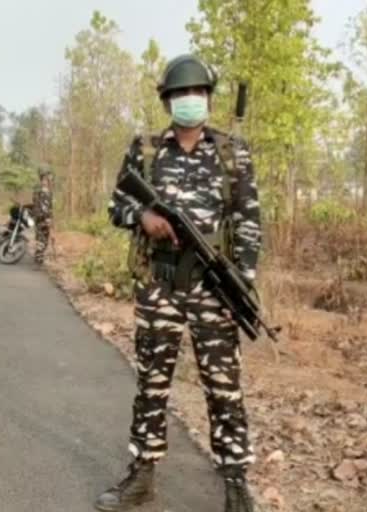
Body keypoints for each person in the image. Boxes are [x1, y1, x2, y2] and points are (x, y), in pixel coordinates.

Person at [96, 55, 261, 512]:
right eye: (182, 94)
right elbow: (116, 206)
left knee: (223, 387)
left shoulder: (232, 152)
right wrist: (142, 216)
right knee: (151, 381)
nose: (191, 100)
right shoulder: (145, 149)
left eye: (198, 93)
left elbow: (248, 224)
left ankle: (235, 486)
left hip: (212, 285)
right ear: (168, 100)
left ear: (208, 98)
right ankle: (141, 478)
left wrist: (240, 288)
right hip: (160, 283)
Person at [31, 167, 53, 264]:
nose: (50, 178)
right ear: (44, 177)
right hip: (42, 217)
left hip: (40, 216)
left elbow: (47, 205)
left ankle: (39, 256)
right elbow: (43, 205)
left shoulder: (41, 189)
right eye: (48, 176)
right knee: (42, 238)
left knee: (41, 237)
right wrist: (47, 217)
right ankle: (39, 258)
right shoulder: (42, 190)